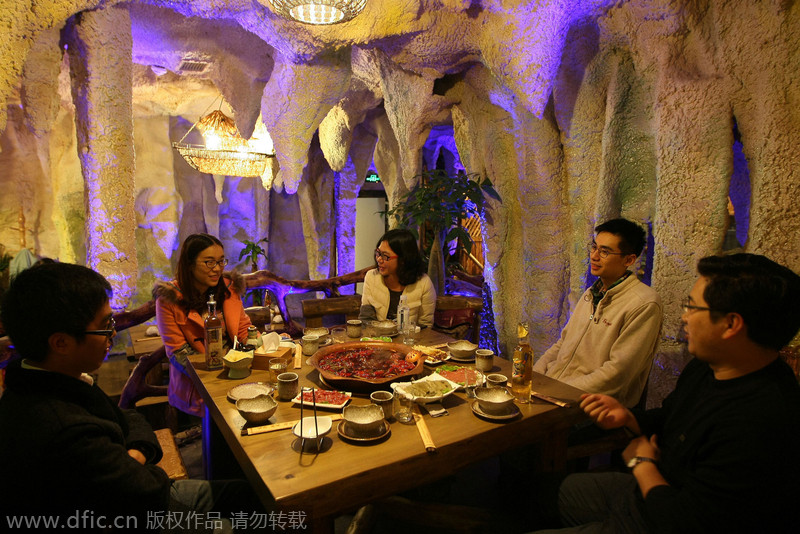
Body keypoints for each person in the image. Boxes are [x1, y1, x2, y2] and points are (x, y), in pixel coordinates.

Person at [536, 253, 800, 533]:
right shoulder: (707, 367)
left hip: (660, 516)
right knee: (542, 492)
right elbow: (672, 417)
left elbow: (684, 521)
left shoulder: (762, 419)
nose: (684, 317)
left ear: (730, 324)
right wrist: (628, 418)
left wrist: (642, 463)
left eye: (692, 307)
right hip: (645, 493)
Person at [0, 263, 263, 532]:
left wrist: (136, 453)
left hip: (139, 494)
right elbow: (146, 490)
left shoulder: (54, 377)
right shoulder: (60, 425)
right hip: (136, 513)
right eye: (105, 326)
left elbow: (128, 417)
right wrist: (139, 462)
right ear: (61, 343)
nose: (113, 334)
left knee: (247, 495)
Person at [533, 218, 662, 407]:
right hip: (554, 395)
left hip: (591, 408)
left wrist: (556, 391)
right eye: (594, 247)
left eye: (605, 252)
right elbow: (562, 343)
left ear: (629, 259)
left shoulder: (644, 304)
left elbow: (616, 375)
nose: (594, 256)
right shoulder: (592, 293)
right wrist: (535, 377)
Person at [154, 233, 252, 417]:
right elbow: (178, 353)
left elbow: (243, 330)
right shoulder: (169, 298)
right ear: (190, 264)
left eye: (221, 261)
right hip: (197, 383)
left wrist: (259, 344)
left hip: (236, 375)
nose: (217, 269)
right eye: (209, 262)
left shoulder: (229, 288)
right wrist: (222, 372)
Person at [360, 228, 437, 327]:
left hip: (411, 340)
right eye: (378, 253)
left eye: (385, 256)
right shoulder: (372, 277)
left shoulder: (423, 283)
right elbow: (366, 319)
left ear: (403, 259)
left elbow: (426, 326)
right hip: (378, 338)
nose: (379, 259)